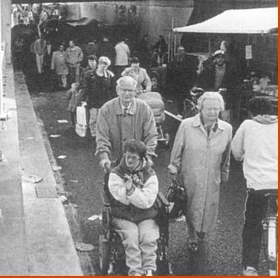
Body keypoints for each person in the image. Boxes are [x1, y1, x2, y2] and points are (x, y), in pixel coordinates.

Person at [168, 91, 232, 252]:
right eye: (208, 108)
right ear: (200, 108)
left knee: (209, 205)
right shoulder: (187, 125)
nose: (212, 112)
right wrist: (174, 167)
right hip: (191, 172)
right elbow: (177, 148)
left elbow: (227, 154)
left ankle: (202, 230)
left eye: (216, 109)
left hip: (213, 174)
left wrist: (224, 173)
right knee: (191, 204)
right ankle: (191, 234)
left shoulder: (227, 129)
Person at [231, 97, 278, 276]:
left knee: (252, 224)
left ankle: (250, 267)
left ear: (251, 112)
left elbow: (236, 152)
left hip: (258, 185)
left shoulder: (247, 125)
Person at [108, 139, 160, 276]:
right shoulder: (115, 173)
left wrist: (131, 190)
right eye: (127, 156)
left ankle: (148, 270)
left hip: (146, 215)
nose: (129, 161)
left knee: (148, 236)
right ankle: (135, 272)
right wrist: (136, 193)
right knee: (131, 237)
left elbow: (147, 202)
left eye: (133, 158)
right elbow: (121, 199)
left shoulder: (150, 175)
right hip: (123, 216)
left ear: (142, 158)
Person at [96, 76, 158, 170]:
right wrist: (105, 158)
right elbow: (102, 136)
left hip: (139, 164)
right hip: (114, 162)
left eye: (130, 90)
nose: (127, 94)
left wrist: (147, 157)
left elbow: (151, 135)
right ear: (117, 90)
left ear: (135, 91)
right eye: (124, 90)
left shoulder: (144, 108)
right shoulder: (106, 109)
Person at [198, 49, 239, 122]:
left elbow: (234, 82)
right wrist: (209, 90)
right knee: (212, 114)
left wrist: (227, 89)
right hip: (212, 95)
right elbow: (202, 81)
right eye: (218, 58)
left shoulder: (230, 69)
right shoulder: (209, 69)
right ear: (215, 59)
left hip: (225, 95)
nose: (220, 59)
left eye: (222, 57)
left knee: (225, 116)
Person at [82, 56, 114, 140]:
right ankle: (94, 135)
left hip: (104, 100)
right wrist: (83, 100)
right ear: (99, 64)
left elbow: (112, 89)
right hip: (93, 99)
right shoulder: (89, 74)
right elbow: (85, 88)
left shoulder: (109, 75)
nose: (104, 68)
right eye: (103, 66)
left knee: (104, 119)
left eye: (106, 66)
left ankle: (102, 135)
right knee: (93, 118)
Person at [166, 46, 197, 113]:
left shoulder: (188, 63)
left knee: (187, 102)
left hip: (186, 86)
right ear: (177, 52)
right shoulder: (172, 63)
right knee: (177, 103)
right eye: (179, 51)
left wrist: (192, 84)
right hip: (176, 86)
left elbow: (192, 74)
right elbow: (169, 75)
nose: (181, 53)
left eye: (182, 51)